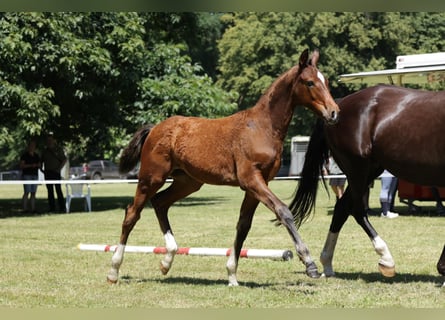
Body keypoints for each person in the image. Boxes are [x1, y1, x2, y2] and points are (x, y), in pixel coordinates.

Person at [41, 132, 67, 213]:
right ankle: (52, 208)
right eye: (48, 140)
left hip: (56, 172)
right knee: (50, 191)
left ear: (53, 140)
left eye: (50, 140)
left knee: (58, 190)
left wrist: (59, 169)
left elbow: (64, 159)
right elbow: (41, 161)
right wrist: (42, 170)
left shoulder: (58, 150)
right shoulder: (45, 151)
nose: (49, 142)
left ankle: (62, 207)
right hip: (48, 173)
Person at [19, 139, 41, 213]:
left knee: (33, 192)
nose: (32, 147)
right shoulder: (24, 156)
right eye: (31, 145)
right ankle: (25, 208)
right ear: (28, 146)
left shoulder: (36, 156)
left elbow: (39, 165)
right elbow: (21, 166)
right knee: (27, 192)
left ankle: (33, 208)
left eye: (34, 146)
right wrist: (31, 165)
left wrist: (37, 165)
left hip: (35, 175)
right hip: (27, 175)